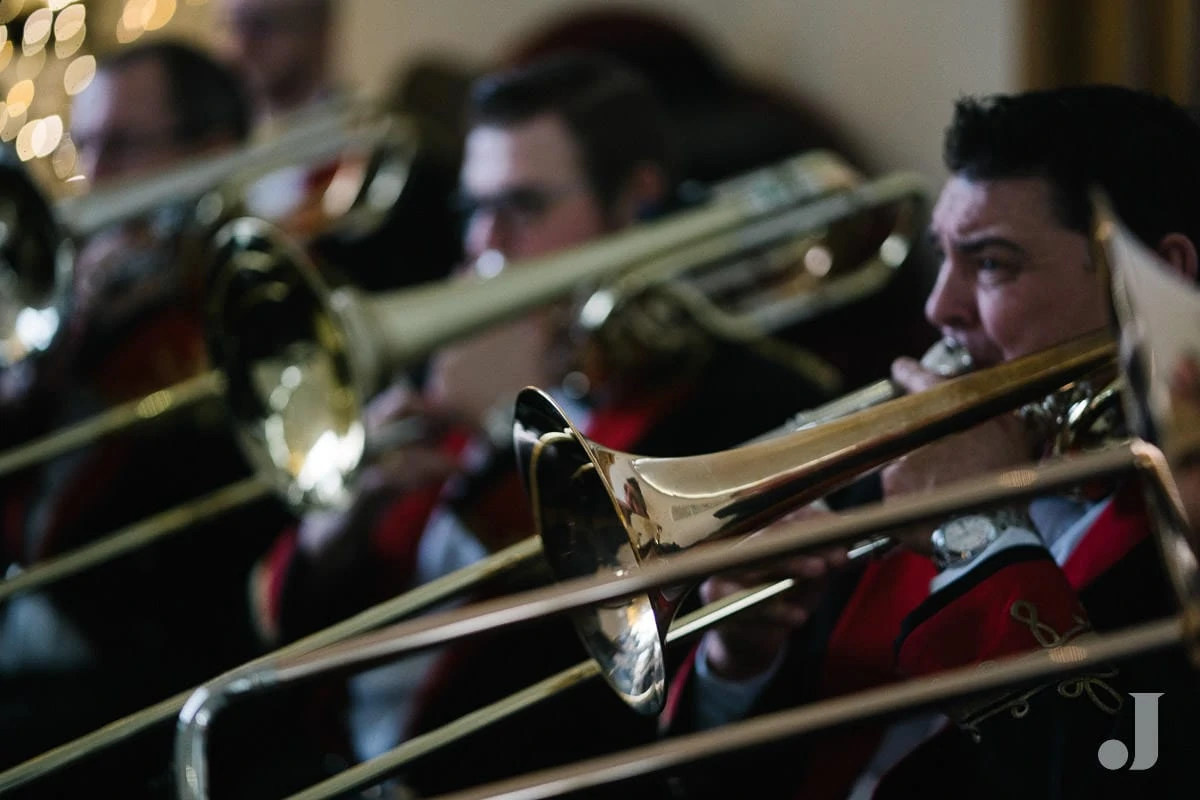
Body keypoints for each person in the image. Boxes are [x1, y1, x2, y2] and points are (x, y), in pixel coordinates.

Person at [250, 52, 836, 796]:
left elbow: (630, 694)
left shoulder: (737, 404)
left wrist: (507, 433)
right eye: (474, 209)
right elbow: (279, 623)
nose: (484, 246)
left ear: (636, 204)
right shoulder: (454, 351)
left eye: (522, 208)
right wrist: (353, 508)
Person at [657, 85, 1200, 799]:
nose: (938, 306)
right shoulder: (901, 467)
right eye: (945, 257)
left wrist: (980, 531)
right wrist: (742, 659)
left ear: (1159, 275)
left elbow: (1127, 771)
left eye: (993, 263)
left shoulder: (1181, 526)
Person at [0, 41, 298, 799]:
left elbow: (220, 540)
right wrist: (53, 353)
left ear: (209, 154)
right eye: (86, 144)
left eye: (124, 145)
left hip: (135, 692)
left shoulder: (255, 305)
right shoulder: (79, 300)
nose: (93, 177)